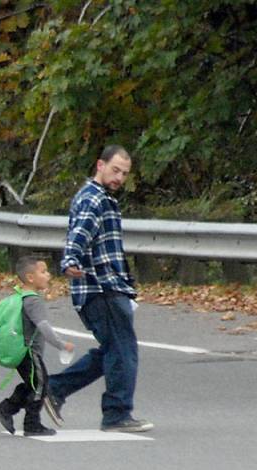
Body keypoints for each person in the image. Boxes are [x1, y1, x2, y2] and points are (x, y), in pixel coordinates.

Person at [47, 145, 153, 433]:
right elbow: (80, 232)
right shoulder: (94, 199)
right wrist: (70, 259)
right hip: (100, 288)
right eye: (115, 170)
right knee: (123, 351)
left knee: (113, 350)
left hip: (105, 287)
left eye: (124, 173)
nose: (119, 177)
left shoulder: (101, 198)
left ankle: (54, 389)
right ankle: (117, 414)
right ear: (100, 165)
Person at [0, 256, 75, 437]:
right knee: (40, 386)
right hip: (29, 351)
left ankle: (6, 408)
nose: (48, 275)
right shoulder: (33, 300)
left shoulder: (20, 296)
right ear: (30, 277)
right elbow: (43, 326)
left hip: (21, 350)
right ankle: (32, 424)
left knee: (33, 385)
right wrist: (61, 344)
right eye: (43, 272)